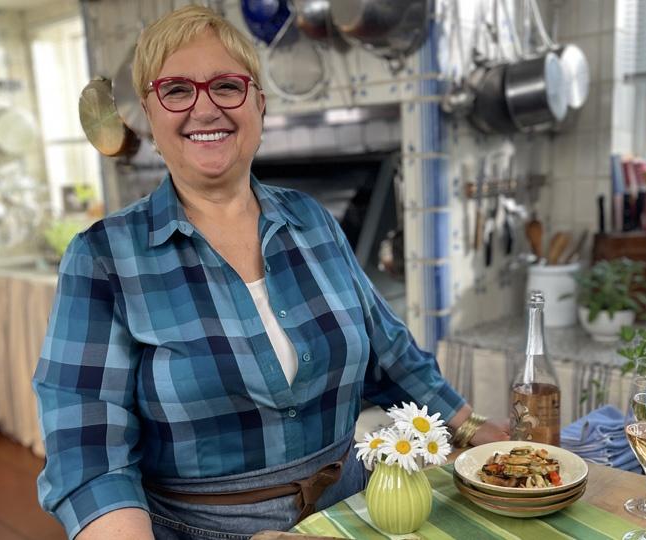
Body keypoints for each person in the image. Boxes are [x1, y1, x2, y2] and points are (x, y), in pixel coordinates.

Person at [33, 6, 508, 540]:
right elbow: (88, 452)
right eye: (177, 90)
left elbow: (389, 353)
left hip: (349, 514)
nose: (204, 107)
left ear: (259, 102)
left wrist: (473, 429)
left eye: (227, 87)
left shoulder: (312, 220)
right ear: (149, 112)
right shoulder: (103, 257)